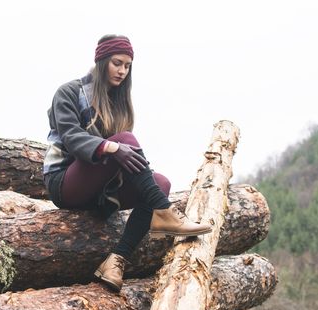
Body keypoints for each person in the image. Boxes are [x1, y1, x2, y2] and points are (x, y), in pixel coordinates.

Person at [42, 34, 212, 292]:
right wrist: (112, 146)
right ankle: (165, 212)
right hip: (64, 181)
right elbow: (71, 137)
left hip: (99, 190)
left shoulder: (119, 104)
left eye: (127, 66)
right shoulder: (69, 92)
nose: (122, 71)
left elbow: (124, 159)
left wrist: (131, 162)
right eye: (117, 63)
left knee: (160, 182)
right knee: (125, 140)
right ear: (102, 61)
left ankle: (116, 259)